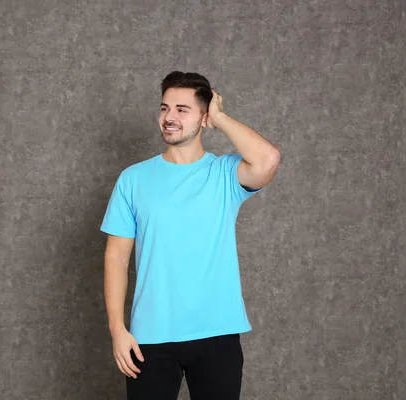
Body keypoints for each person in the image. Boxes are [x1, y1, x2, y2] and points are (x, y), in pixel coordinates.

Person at [100, 71, 280, 400]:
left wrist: (222, 118)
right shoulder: (133, 179)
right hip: (149, 338)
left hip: (217, 333)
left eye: (182, 109)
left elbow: (268, 159)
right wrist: (117, 330)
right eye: (164, 108)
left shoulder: (225, 173)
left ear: (203, 116)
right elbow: (115, 256)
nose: (169, 117)